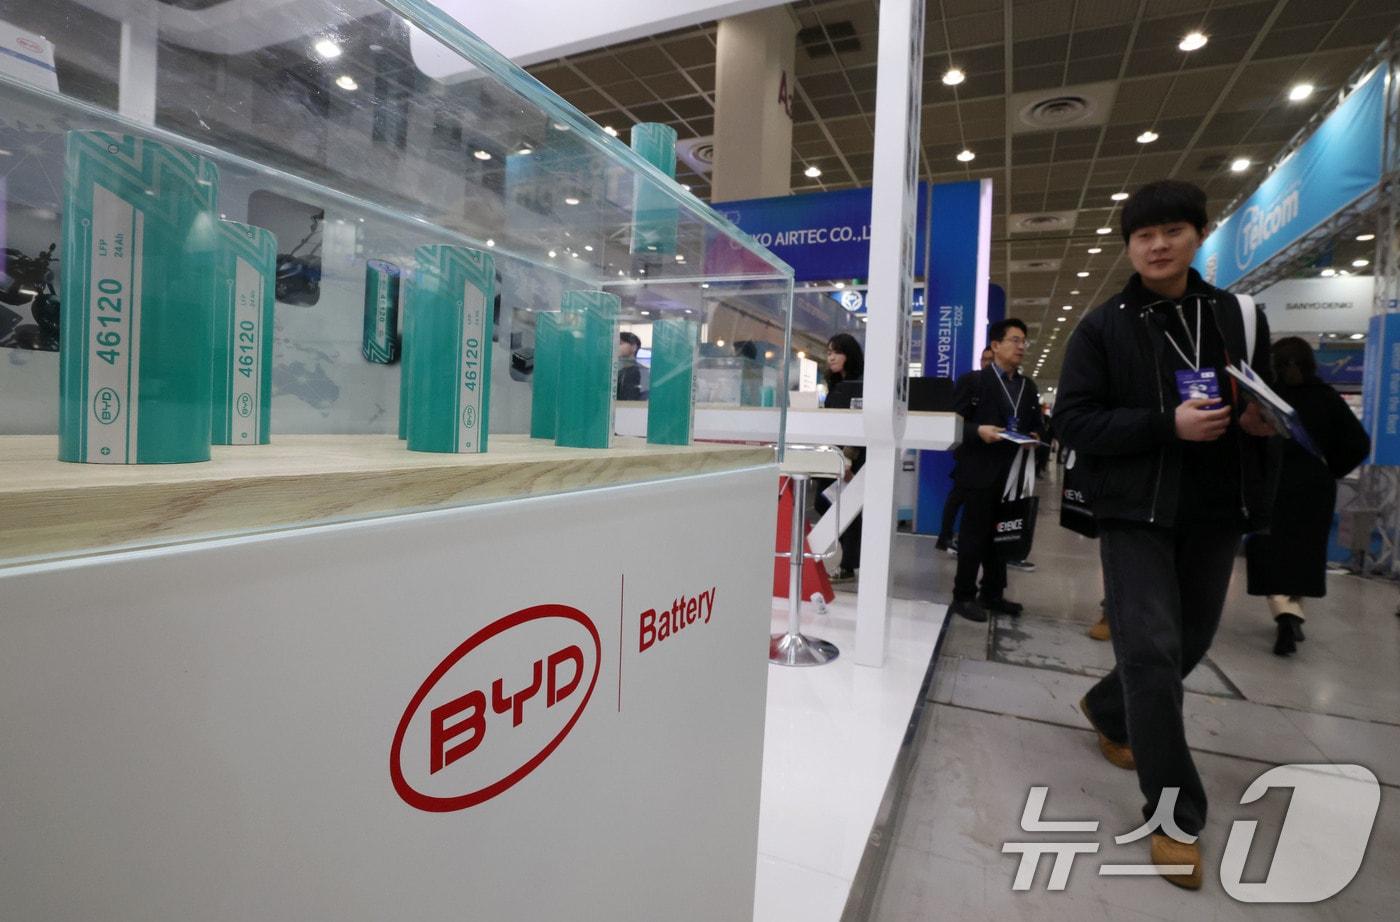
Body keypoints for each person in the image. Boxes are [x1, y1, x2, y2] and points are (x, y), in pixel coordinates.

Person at [1054, 179, 1279, 890]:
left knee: (1191, 643)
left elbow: (1264, 395)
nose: (1158, 245)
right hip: (1134, 511)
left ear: (1197, 235)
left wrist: (1261, 422)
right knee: (1151, 650)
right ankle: (1175, 816)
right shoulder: (1103, 328)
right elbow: (1075, 422)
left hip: (1214, 510)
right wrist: (1164, 425)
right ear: (1129, 245)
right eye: (1144, 235)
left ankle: (1107, 708)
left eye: (1172, 231)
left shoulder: (1238, 316)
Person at [1245, 337, 1370, 656]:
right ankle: (1294, 612)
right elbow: (1359, 443)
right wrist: (1332, 469)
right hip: (1315, 487)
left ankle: (1284, 614)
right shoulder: (1327, 398)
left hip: (1273, 485)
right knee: (1303, 553)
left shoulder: (1268, 398)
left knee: (1272, 553)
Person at [947, 319, 1043, 623]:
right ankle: (963, 595)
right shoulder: (974, 382)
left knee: (1002, 535)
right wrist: (978, 431)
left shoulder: (1027, 386)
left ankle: (992, 593)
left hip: (1013, 474)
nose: (1020, 346)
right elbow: (953, 423)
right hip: (979, 470)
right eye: (1014, 340)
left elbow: (1036, 424)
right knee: (974, 536)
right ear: (996, 345)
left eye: (1023, 341)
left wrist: (1036, 436)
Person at [816, 333, 864, 581]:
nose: (831, 357)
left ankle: (848, 564)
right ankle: (850, 559)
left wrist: (848, 460)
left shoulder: (861, 385)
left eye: (837, 352)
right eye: (828, 352)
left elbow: (860, 428)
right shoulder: (835, 386)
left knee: (847, 509)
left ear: (849, 355)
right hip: (832, 456)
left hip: (849, 459)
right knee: (824, 502)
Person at [936, 346, 994, 553]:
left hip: (992, 455)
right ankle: (946, 536)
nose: (987, 363)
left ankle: (952, 537)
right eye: (984, 359)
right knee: (959, 496)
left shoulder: (1004, 386)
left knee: (964, 498)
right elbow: (958, 417)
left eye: (991, 360)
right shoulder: (970, 381)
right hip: (970, 452)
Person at [616, 331, 643, 401]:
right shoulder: (621, 371)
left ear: (634, 347)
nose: (616, 347)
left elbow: (630, 399)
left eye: (620, 343)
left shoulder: (634, 372)